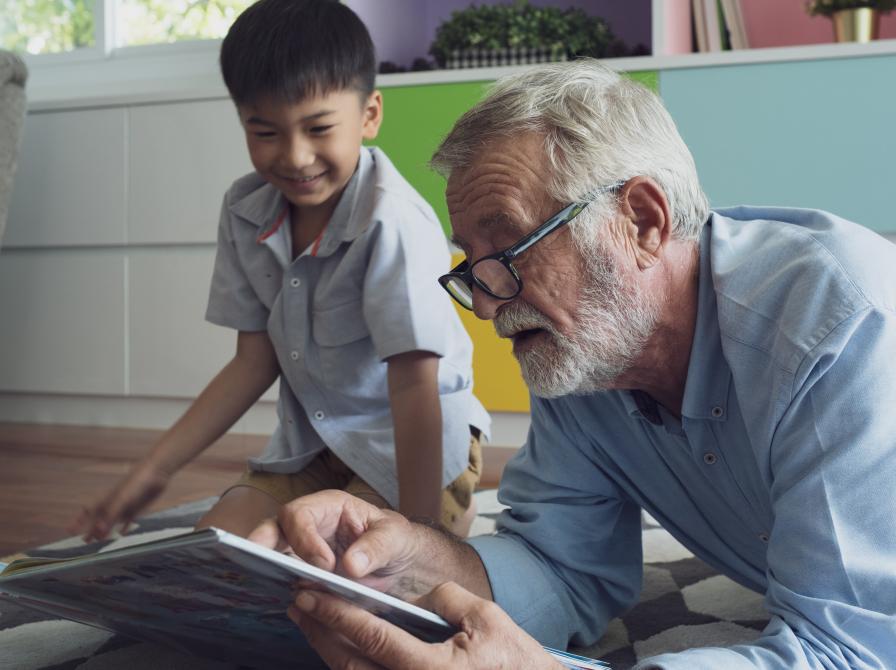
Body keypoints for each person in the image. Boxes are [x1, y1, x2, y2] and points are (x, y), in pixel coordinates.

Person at [250, 59, 896, 669]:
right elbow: (563, 568)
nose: (481, 302)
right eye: (470, 264)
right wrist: (409, 561)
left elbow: (852, 653)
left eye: (509, 248)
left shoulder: (842, 323)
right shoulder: (590, 351)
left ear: (642, 220)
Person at [72, 0, 489, 542]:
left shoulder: (392, 222)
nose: (294, 157)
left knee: (347, 574)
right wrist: (153, 471)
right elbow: (252, 361)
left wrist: (418, 534)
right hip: (311, 448)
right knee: (214, 557)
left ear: (370, 115)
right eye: (265, 132)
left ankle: (446, 514)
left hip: (416, 445)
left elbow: (415, 385)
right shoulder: (246, 211)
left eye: (318, 128)